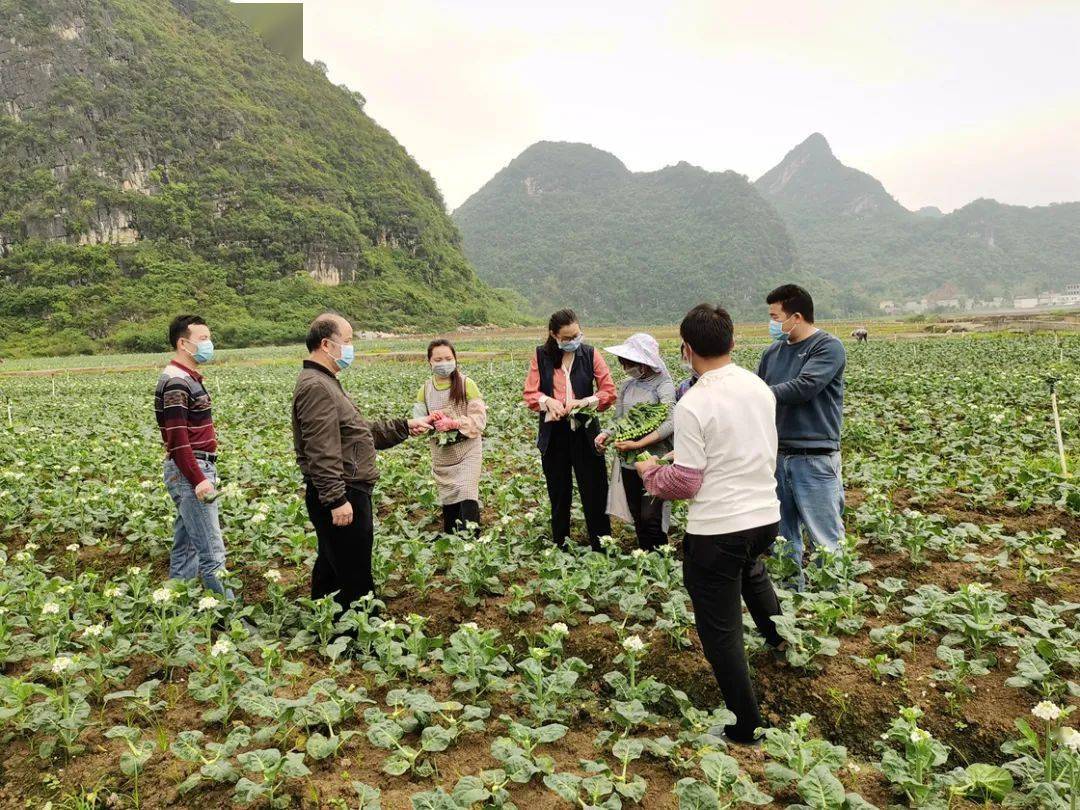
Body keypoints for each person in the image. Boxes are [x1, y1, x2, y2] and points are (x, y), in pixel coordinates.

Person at [637, 303, 784, 746]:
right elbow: (732, 448)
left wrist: (649, 471)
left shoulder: (694, 401)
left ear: (685, 349)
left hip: (719, 527)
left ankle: (747, 725)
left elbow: (685, 480)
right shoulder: (759, 387)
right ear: (733, 341)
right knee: (752, 572)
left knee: (720, 630)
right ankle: (784, 643)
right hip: (764, 516)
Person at [292, 314, 434, 614]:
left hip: (345, 487)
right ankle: (363, 632)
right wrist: (336, 498)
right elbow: (321, 449)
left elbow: (356, 432)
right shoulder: (317, 387)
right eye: (348, 340)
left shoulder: (324, 382)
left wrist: (405, 426)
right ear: (327, 344)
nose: (351, 347)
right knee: (354, 570)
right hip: (344, 490)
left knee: (333, 564)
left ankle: (325, 623)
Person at [757, 284, 847, 591]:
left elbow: (804, 386)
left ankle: (833, 602)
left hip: (815, 458)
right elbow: (760, 393)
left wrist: (754, 395)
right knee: (783, 536)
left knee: (825, 536)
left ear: (796, 316)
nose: (771, 323)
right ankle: (791, 596)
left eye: (774, 316)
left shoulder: (827, 347)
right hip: (778, 454)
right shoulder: (772, 352)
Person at [523, 309, 616, 549]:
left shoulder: (590, 354)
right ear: (554, 335)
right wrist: (548, 401)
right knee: (559, 491)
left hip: (586, 432)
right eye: (566, 338)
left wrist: (585, 402)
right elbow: (531, 394)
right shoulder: (541, 356)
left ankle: (601, 545)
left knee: (595, 489)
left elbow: (609, 391)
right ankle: (561, 544)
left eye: (576, 335)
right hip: (554, 434)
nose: (573, 341)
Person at [155, 315, 231, 596]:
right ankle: (231, 615)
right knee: (212, 553)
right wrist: (199, 479)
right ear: (183, 343)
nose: (209, 344)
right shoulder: (176, 382)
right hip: (191, 470)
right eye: (203, 339)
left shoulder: (186, 378)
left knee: (186, 547)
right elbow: (178, 440)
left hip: (193, 468)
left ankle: (177, 605)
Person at [595, 333, 675, 550]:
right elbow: (619, 420)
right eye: (624, 363)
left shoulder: (664, 384)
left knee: (652, 515)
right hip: (627, 459)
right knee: (637, 513)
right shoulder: (627, 386)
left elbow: (670, 423)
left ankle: (660, 556)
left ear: (645, 363)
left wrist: (639, 444)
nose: (625, 368)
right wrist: (606, 435)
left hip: (654, 460)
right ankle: (646, 556)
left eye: (629, 363)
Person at [412, 339, 487, 536]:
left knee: (468, 492)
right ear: (430, 362)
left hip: (468, 450)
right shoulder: (425, 389)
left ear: (455, 359)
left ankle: (471, 540)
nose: (443, 363)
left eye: (448, 358)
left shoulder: (467, 384)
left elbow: (479, 420)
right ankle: (452, 542)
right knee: (449, 497)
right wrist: (430, 422)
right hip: (442, 454)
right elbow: (418, 421)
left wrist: (454, 423)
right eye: (438, 359)